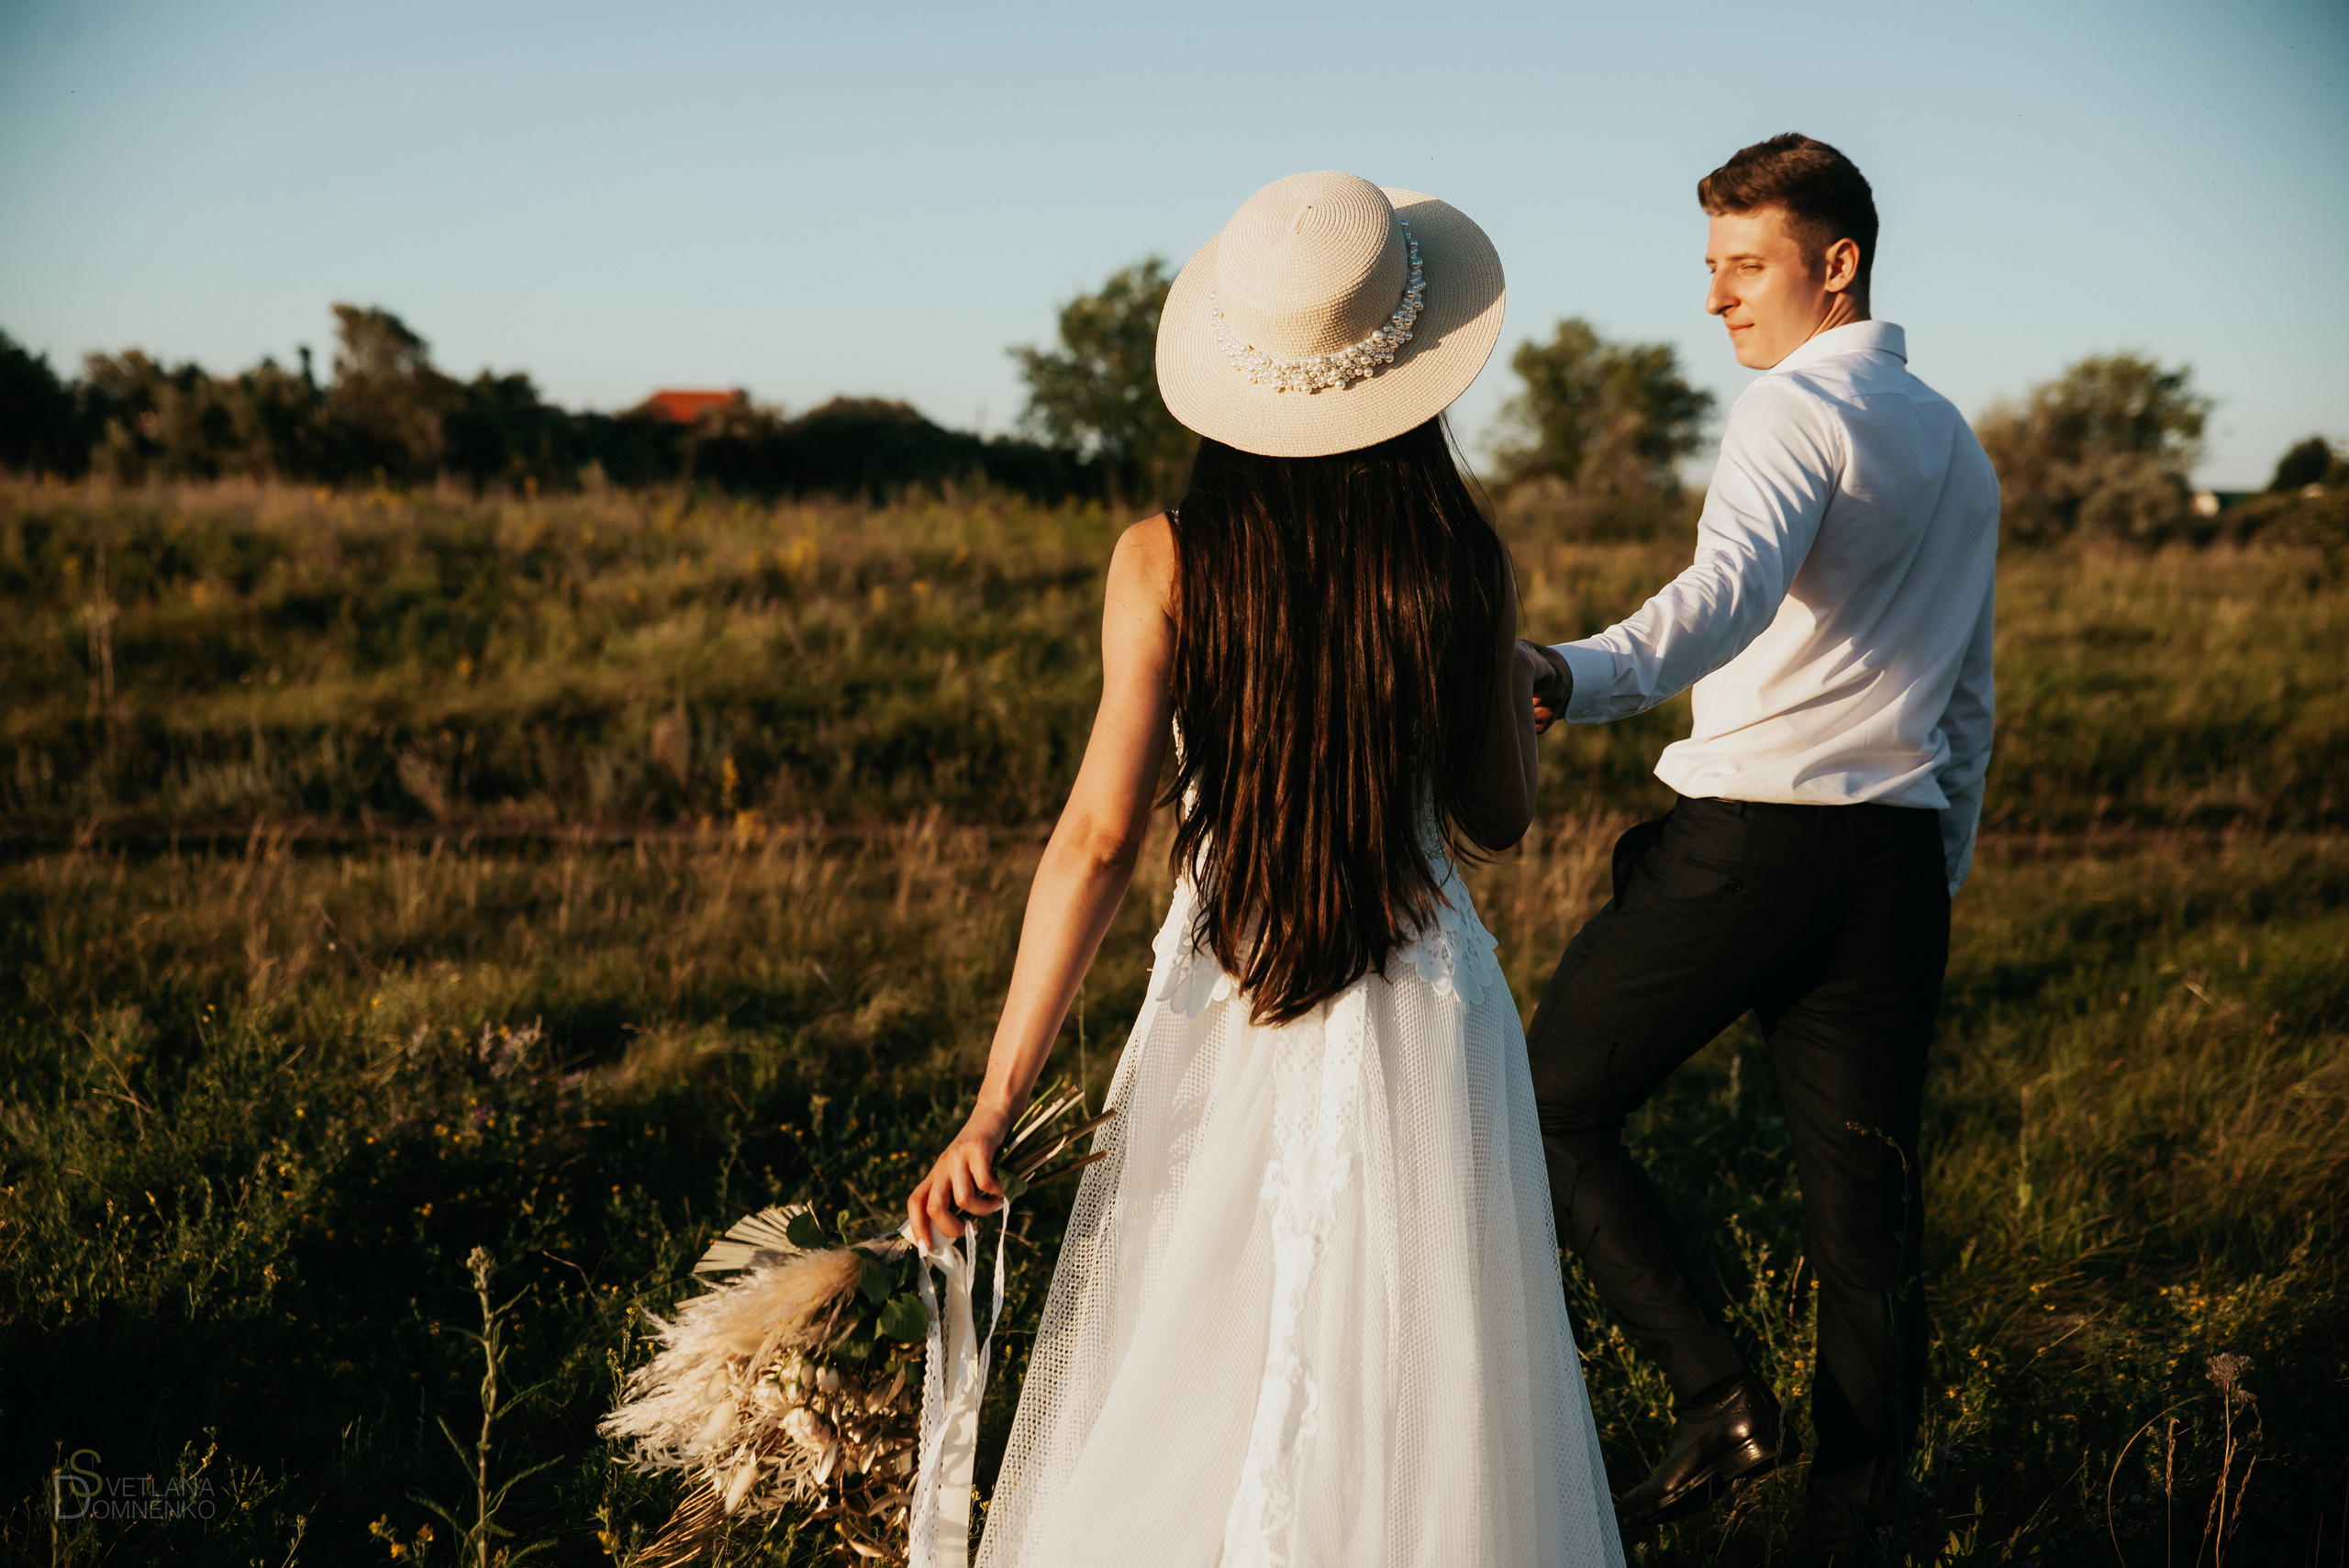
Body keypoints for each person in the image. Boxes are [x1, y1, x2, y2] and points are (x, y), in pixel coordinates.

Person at [907, 171, 1624, 1568]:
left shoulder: (1166, 557)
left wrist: (994, 1102)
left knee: (1210, 1350)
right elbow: (1497, 815)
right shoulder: (1461, 561)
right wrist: (1509, 683)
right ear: (1414, 372)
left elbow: (1101, 838)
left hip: (1231, 1003)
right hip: (1427, 1017)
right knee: (1422, 1384)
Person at [1520, 133, 1998, 1555]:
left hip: (1755, 847)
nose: (1718, 298)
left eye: (1744, 263)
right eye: (1713, 267)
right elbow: (1968, 695)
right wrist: (1935, 866)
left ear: (1833, 263)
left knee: (1541, 1102)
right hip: (1891, 869)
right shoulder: (1954, 441)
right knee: (1869, 1222)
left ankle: (1714, 1389)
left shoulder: (1795, 411)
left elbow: (1723, 596)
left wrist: (1566, 673)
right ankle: (1849, 1526)